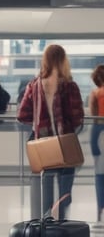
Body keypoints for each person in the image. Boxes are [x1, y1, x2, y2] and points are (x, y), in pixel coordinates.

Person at [17, 44, 84, 220]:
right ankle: (61, 223)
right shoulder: (70, 86)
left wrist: (39, 122)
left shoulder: (34, 85)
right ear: (63, 61)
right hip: (64, 143)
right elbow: (77, 118)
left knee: (45, 189)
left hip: (43, 144)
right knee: (65, 191)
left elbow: (22, 115)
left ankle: (47, 225)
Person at [89, 64, 104, 221]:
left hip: (100, 134)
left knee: (100, 176)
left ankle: (100, 208)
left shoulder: (95, 94)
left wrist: (93, 147)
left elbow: (94, 120)